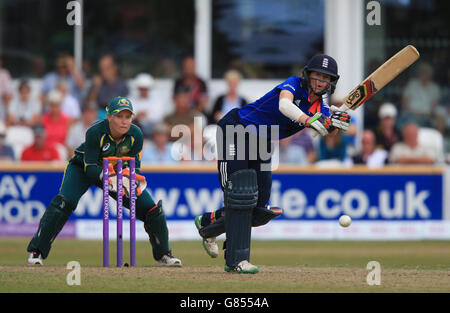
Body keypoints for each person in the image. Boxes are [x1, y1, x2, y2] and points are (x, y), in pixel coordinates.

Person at [194, 54, 351, 273]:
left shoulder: (321, 108)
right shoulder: (293, 84)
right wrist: (309, 120)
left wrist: (336, 124)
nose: (320, 81)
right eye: (316, 75)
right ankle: (237, 259)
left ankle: (208, 223)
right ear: (308, 75)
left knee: (259, 209)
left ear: (331, 82)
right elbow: (285, 105)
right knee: (238, 194)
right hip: (236, 128)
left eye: (325, 78)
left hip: (261, 140)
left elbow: (325, 130)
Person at [26, 96, 182, 267]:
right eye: (119, 116)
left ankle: (164, 255)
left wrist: (132, 180)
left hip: (116, 172)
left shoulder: (136, 134)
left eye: (128, 117)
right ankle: (37, 252)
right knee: (64, 203)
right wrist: (109, 179)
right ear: (109, 117)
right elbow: (90, 167)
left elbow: (134, 166)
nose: (124, 121)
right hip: (83, 168)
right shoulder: (95, 132)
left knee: (152, 209)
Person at [87, 54, 129, 120]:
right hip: (98, 117)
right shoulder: (98, 84)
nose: (104, 72)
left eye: (107, 68)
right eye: (102, 69)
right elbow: (90, 105)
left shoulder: (122, 86)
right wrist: (95, 88)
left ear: (115, 68)